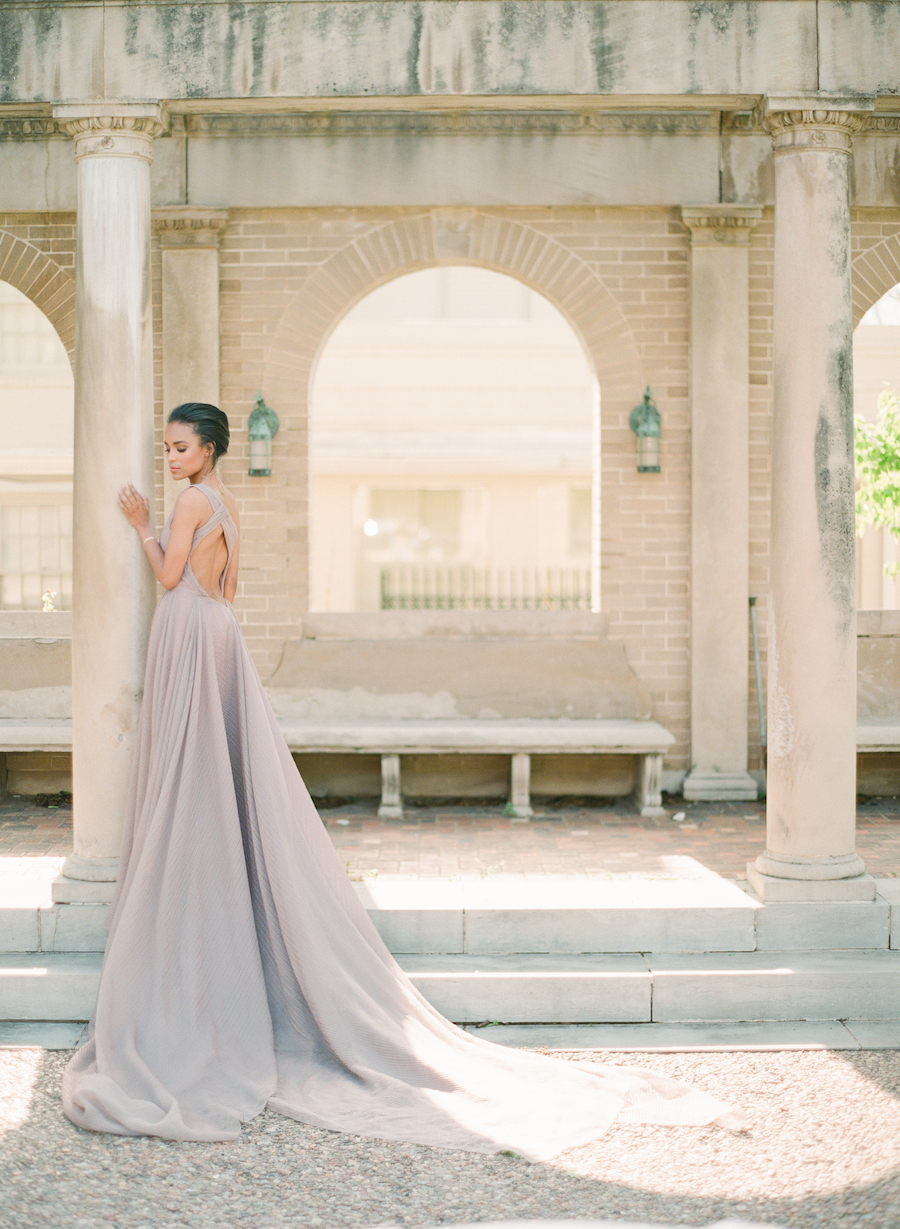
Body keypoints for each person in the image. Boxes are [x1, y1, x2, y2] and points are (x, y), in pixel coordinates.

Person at [62, 402, 743, 1158]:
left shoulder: (191, 500)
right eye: (167, 448)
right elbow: (230, 585)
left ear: (210, 448)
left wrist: (139, 521)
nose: (172, 457)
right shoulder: (228, 500)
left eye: (182, 447)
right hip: (218, 631)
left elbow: (168, 575)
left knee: (193, 773)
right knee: (219, 772)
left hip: (190, 630)